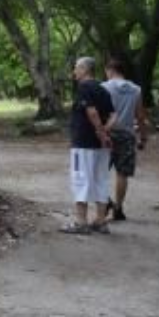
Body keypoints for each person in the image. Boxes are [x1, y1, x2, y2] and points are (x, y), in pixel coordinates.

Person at [61, 56, 115, 234]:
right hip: (102, 146)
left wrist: (100, 132)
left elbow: (91, 112)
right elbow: (114, 115)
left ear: (85, 69)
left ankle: (81, 223)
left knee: (80, 179)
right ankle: (100, 221)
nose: (74, 72)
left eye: (76, 68)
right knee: (101, 180)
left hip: (83, 143)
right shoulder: (102, 89)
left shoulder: (84, 87)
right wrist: (105, 133)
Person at [102, 57, 148, 221]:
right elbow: (140, 116)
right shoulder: (136, 89)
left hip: (107, 134)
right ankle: (118, 208)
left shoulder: (104, 87)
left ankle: (105, 201)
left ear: (110, 70)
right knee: (122, 173)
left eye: (106, 72)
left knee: (99, 171)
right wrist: (143, 137)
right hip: (127, 135)